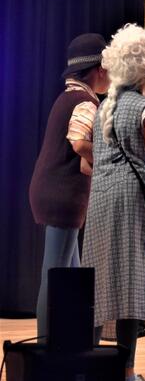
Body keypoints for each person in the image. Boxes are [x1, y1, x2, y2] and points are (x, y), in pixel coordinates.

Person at [82, 24, 145, 381]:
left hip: (100, 200)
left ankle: (91, 371)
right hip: (130, 202)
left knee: (98, 284)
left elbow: (93, 161)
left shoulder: (105, 106)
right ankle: (126, 376)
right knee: (132, 286)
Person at [29, 33, 110, 341]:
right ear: (99, 69)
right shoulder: (85, 102)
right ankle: (45, 350)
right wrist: (110, 159)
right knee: (55, 276)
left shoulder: (67, 97)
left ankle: (71, 343)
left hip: (54, 191)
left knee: (71, 275)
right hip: (63, 195)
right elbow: (78, 144)